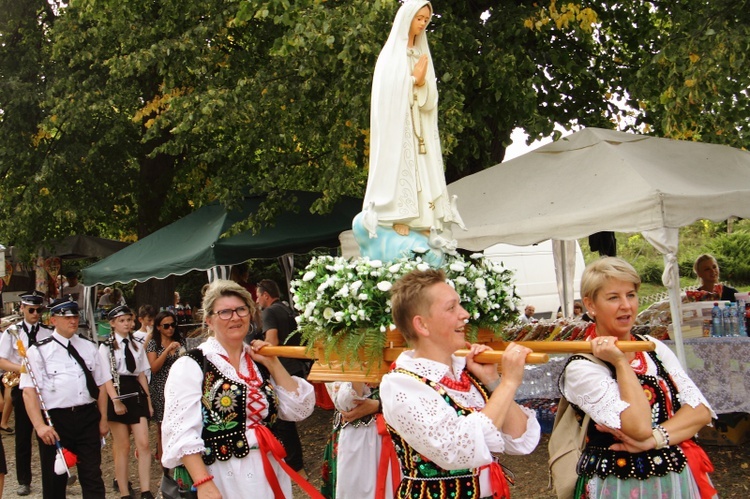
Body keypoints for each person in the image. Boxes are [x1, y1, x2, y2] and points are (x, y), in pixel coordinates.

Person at [560, 257, 716, 498]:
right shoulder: (582, 367)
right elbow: (638, 427)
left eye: (630, 295)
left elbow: (700, 410)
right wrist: (621, 362)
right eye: (613, 297)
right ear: (590, 304)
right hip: (617, 484)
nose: (626, 306)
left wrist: (655, 439)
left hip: (675, 480)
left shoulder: (652, 347)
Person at [380, 269, 540, 498]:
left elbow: (518, 439)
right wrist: (510, 383)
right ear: (422, 325)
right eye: (451, 307)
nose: (465, 314)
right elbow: (455, 451)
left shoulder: (467, 372)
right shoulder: (401, 385)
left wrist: (494, 382)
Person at [161, 279, 316, 498]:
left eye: (241, 309)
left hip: (268, 470)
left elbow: (299, 409)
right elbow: (180, 431)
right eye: (224, 312)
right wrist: (203, 482)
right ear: (209, 321)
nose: (235, 317)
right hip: (222, 474)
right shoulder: (192, 364)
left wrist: (273, 363)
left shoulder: (258, 362)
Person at [362, 0, 463, 238]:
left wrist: (421, 83)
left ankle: (424, 219)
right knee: (401, 167)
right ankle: (399, 215)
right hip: (397, 128)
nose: (422, 23)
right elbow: (385, 95)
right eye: (419, 18)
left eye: (426, 20)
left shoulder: (421, 54)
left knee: (423, 170)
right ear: (406, 19)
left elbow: (431, 99)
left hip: (419, 126)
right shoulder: (390, 55)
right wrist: (411, 81)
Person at [20, 297, 111, 498]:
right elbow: (29, 392)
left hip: (87, 417)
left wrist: (103, 418)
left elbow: (102, 385)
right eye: (66, 317)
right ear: (53, 320)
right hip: (56, 420)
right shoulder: (38, 351)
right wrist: (39, 426)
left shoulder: (89, 347)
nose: (72, 320)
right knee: (55, 479)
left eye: (75, 316)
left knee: (92, 475)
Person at [0, 291, 52, 496]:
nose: (35, 313)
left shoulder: (47, 333)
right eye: (31, 310)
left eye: (38, 310)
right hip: (22, 387)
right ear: (22, 309)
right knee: (23, 435)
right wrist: (21, 368)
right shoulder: (12, 332)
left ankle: (52, 476)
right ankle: (24, 480)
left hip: (44, 391)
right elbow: (2, 360)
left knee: (46, 434)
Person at [256, 278, 310, 476]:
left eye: (258, 296)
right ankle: (294, 462)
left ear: (266, 295)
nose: (257, 300)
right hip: (294, 366)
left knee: (283, 421)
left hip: (281, 369)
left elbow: (271, 341)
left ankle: (294, 464)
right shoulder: (287, 308)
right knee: (288, 420)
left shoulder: (269, 312)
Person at [99, 305, 154, 499]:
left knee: (144, 443)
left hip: (135, 391)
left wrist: (148, 402)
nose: (127, 324)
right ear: (112, 323)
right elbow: (105, 377)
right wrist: (115, 401)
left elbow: (141, 374)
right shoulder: (105, 346)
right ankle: (124, 491)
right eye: (122, 320)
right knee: (123, 446)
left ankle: (146, 489)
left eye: (129, 320)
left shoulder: (137, 344)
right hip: (117, 390)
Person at [321, 382, 398, 499]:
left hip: (398, 430)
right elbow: (348, 403)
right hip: (357, 438)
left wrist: (380, 405)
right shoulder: (338, 367)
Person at [146, 310, 183, 462]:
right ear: (158, 327)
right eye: (166, 326)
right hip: (160, 387)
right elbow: (154, 367)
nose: (170, 329)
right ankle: (164, 462)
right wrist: (167, 351)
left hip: (179, 387)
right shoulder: (153, 344)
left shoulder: (180, 341)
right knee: (162, 427)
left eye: (173, 325)